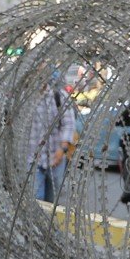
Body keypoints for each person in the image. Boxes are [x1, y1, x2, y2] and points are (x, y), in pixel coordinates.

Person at [27, 76, 77, 204]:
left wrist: (63, 149)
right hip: (32, 159)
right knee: (36, 200)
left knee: (52, 201)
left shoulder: (59, 96)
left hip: (56, 156)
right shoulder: (25, 99)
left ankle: (47, 223)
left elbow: (69, 124)